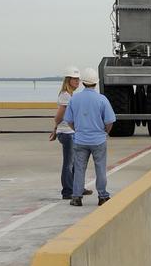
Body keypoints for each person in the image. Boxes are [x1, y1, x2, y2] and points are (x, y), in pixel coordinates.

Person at [65, 68, 115, 206]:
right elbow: (110, 121)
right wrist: (105, 132)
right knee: (100, 168)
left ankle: (76, 197)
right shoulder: (102, 99)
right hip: (98, 139)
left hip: (80, 139)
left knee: (79, 169)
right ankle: (102, 196)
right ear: (96, 83)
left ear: (83, 82)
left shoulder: (74, 99)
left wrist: (78, 130)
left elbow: (68, 120)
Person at [49, 67, 93, 201]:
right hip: (67, 133)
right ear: (68, 80)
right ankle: (67, 191)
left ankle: (77, 187)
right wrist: (56, 127)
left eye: (78, 79)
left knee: (75, 163)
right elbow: (60, 115)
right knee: (69, 163)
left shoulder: (70, 95)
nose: (77, 81)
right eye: (75, 79)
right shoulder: (66, 95)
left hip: (71, 132)